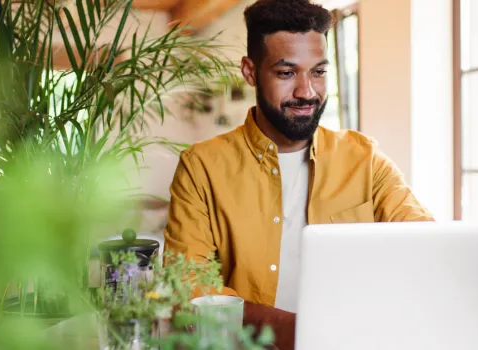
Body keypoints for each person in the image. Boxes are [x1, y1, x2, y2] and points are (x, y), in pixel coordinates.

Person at [163, 0, 433, 348]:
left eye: (318, 71)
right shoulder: (200, 168)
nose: (307, 91)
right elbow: (188, 287)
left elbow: (423, 244)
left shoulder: (364, 158)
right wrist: (291, 329)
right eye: (286, 73)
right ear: (250, 71)